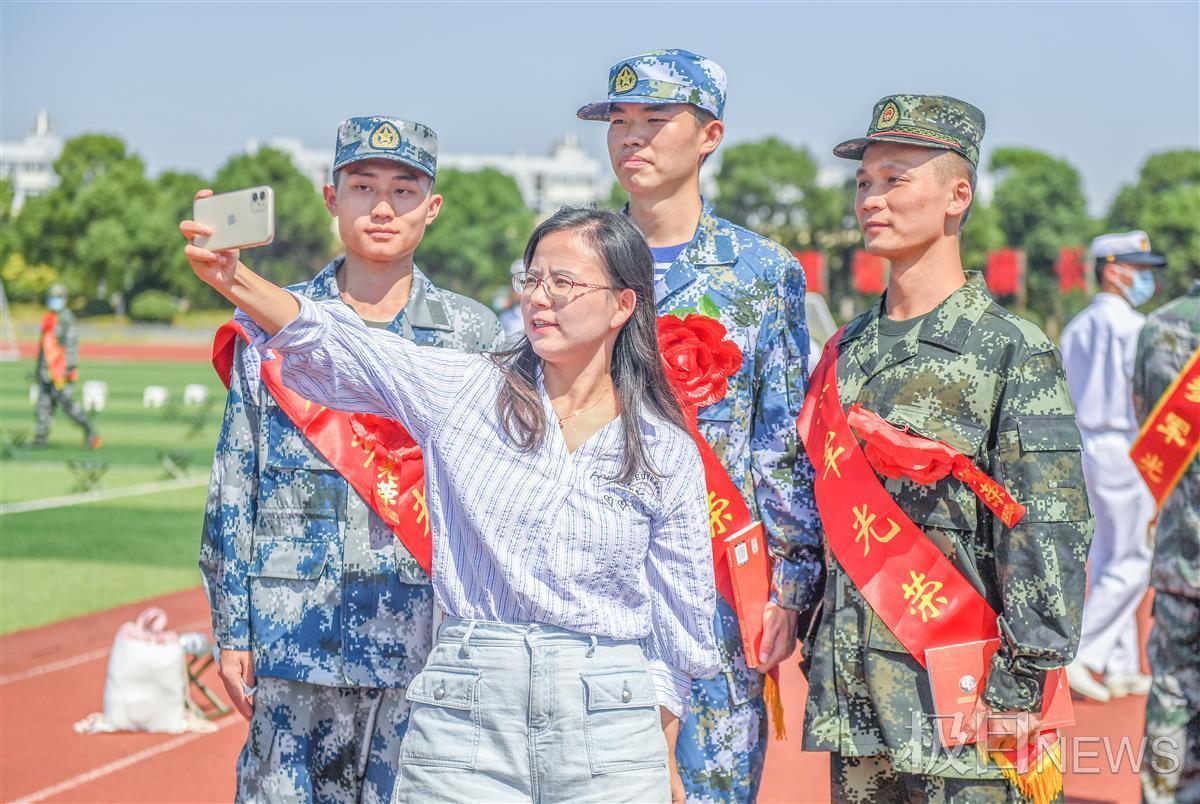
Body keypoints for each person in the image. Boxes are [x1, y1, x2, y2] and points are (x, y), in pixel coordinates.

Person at [182, 203, 722, 803]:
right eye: (532, 278)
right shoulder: (466, 390)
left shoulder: (664, 450)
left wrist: (658, 752)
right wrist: (235, 279)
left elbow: (679, 627)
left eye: (563, 282)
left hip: (610, 719)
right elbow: (342, 343)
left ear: (623, 304)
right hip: (467, 712)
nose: (540, 297)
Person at [195, 116, 504, 803]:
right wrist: (231, 627)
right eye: (363, 186)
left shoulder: (473, 335)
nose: (384, 206)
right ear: (331, 198)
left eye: (404, 188)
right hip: (296, 640)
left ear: (433, 206)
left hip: (426, 649)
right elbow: (234, 483)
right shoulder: (272, 322)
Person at [798, 94, 1093, 800]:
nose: (871, 197)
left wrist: (1023, 685)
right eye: (863, 182)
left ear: (958, 194)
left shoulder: (1010, 350)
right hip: (858, 708)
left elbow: (1049, 526)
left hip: (967, 700)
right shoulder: (846, 351)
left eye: (895, 178)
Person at [578, 49, 820, 802]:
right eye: (619, 122)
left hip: (720, 584)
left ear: (710, 135)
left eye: (655, 121)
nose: (632, 139)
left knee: (716, 788)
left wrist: (791, 584)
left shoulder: (761, 272)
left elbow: (779, 437)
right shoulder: (576, 255)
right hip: (593, 580)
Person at [1059, 231, 1164, 702]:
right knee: (1135, 559)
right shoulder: (1137, 326)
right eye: (1139, 269)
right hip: (1126, 444)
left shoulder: (1077, 325)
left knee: (1105, 554)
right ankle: (1087, 656)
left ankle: (1120, 665)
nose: (1145, 279)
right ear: (1113, 269)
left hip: (1086, 442)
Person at [1133, 276, 1200, 803]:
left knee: (1173, 691)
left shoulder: (1161, 327)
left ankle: (1162, 794)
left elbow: (1148, 426)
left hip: (1183, 548)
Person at [33, 283, 100, 449]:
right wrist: (38, 369)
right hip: (45, 371)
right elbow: (44, 347)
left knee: (69, 406)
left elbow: (70, 345)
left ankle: (90, 432)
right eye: (52, 296)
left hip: (60, 372)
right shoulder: (49, 318)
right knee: (43, 406)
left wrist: (69, 368)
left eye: (58, 297)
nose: (54, 300)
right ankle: (40, 439)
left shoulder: (66, 318)